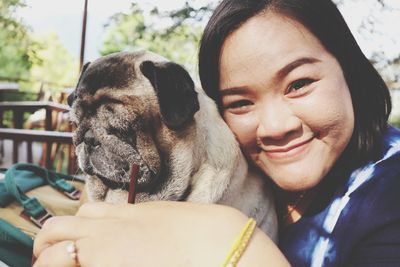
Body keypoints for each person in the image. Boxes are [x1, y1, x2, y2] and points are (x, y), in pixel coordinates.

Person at [33, 0, 400, 266]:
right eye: (240, 103)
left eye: (299, 84)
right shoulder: (246, 173)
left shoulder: (388, 200)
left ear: (350, 70)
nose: (275, 127)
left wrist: (238, 247)